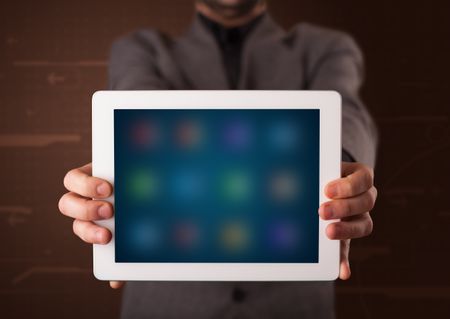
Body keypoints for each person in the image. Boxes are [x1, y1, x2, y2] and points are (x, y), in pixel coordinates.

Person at [58, 0, 378, 318]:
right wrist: (115, 169)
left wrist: (337, 173)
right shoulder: (141, 49)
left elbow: (348, 115)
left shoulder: (324, 47)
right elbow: (139, 110)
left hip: (292, 306)